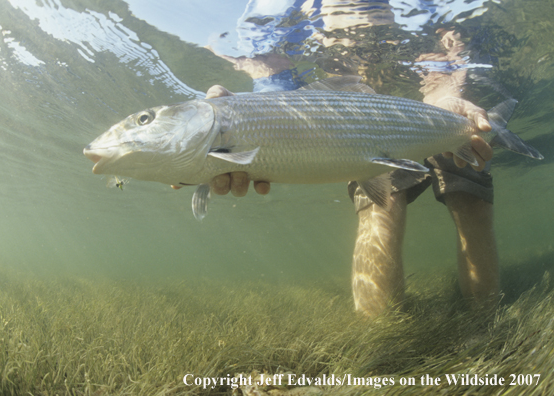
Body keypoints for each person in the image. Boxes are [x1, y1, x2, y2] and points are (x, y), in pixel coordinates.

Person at [178, 0, 501, 316]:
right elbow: (275, 96)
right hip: (350, 130)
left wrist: (447, 101)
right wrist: (240, 127)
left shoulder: (429, 9)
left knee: (472, 201)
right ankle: (381, 337)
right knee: (380, 210)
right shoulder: (275, 17)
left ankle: (488, 319)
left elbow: (444, 69)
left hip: (433, 116)